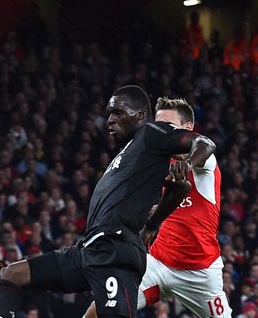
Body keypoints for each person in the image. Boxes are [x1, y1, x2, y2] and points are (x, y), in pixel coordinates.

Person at [0, 85, 216, 318]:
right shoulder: (131, 151)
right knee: (12, 275)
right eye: (109, 114)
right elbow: (175, 192)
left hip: (116, 252)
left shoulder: (152, 133)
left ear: (140, 115)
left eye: (118, 112)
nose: (109, 121)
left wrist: (187, 165)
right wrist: (151, 225)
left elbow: (205, 143)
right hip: (88, 249)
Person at [83, 97, 231, 318]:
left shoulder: (204, 162)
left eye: (169, 126)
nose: (164, 132)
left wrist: (187, 164)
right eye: (159, 126)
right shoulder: (157, 160)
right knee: (99, 309)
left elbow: (205, 146)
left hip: (200, 271)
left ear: (188, 128)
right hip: (157, 262)